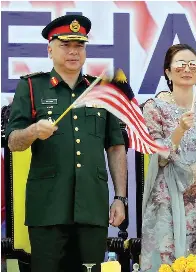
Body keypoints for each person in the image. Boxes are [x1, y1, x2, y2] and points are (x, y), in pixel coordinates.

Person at [6, 14, 127, 272]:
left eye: (79, 45)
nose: (73, 52)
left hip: (92, 208)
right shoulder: (31, 86)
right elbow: (12, 141)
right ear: (50, 49)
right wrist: (33, 132)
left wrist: (120, 198)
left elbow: (116, 146)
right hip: (48, 208)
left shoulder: (101, 89)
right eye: (65, 45)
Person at [140, 44, 196, 271]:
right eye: (180, 64)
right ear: (167, 71)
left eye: (193, 65)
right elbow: (159, 156)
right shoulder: (154, 107)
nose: (187, 69)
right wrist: (179, 130)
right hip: (167, 196)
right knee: (167, 261)